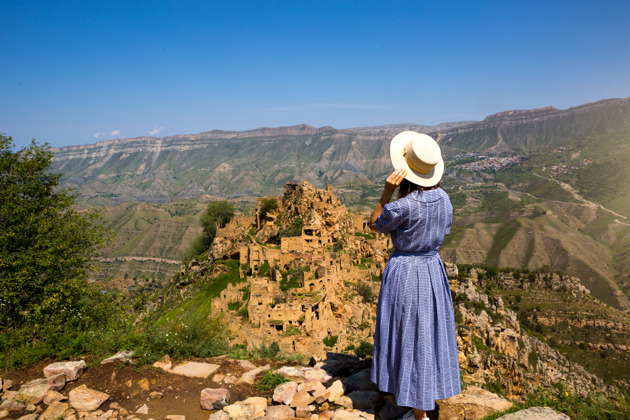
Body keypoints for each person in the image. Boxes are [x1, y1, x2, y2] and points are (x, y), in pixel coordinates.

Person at [368, 131, 461, 420]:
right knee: (429, 333)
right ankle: (426, 397)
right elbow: (442, 232)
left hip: (406, 271)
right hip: (433, 270)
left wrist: (386, 193)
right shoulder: (445, 199)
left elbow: (375, 224)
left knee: (407, 333)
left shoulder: (401, 206)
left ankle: (418, 412)